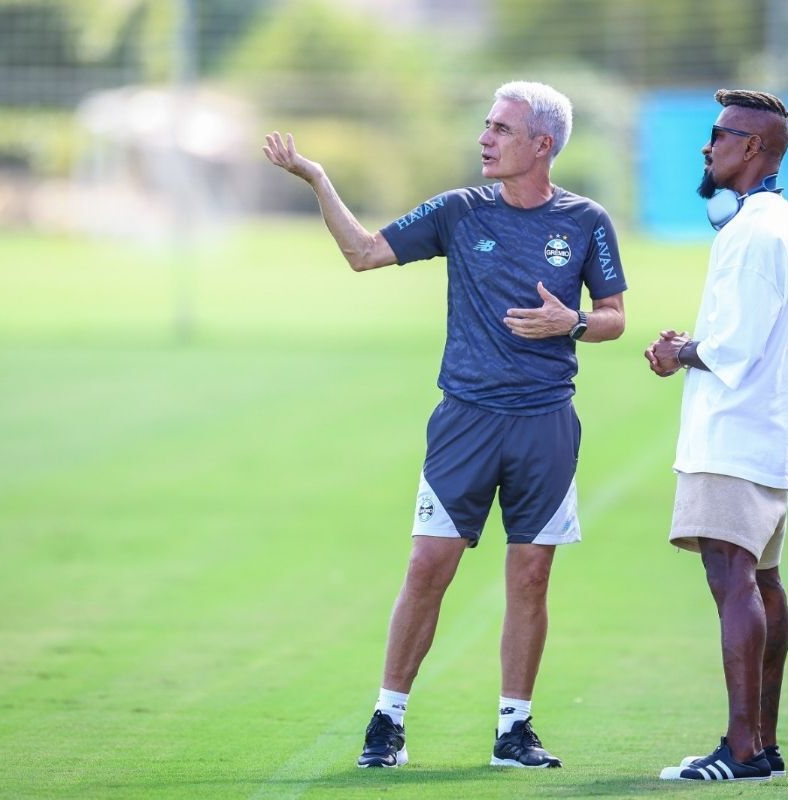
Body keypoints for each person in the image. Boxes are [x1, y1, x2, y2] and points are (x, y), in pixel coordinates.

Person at [262, 81, 627, 769]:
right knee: (428, 566)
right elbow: (364, 253)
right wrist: (318, 180)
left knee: (531, 576)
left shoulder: (586, 221)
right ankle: (387, 720)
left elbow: (614, 317)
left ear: (542, 144)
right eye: (486, 125)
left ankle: (514, 731)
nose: (484, 138)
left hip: (545, 423)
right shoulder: (459, 210)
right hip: (465, 422)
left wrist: (571, 321)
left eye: (501, 129)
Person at [644, 88, 788, 783]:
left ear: (752, 147)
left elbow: (733, 348)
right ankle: (762, 746)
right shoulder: (776, 222)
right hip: (765, 433)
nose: (707, 146)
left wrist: (677, 351)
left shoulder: (753, 232)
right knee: (762, 581)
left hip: (734, 435)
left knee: (732, 577)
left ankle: (741, 749)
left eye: (719, 134)